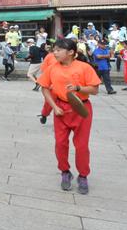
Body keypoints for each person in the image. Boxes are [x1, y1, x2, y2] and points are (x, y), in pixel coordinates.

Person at [37, 38, 101, 195]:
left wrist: (79, 88)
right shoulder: (52, 68)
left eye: (58, 50)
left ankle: (83, 175)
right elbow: (44, 88)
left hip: (81, 109)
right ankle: (65, 172)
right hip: (61, 109)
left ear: (71, 52)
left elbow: (94, 90)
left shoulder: (84, 67)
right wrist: (54, 107)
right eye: (54, 50)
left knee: (81, 146)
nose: (55, 53)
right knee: (60, 143)